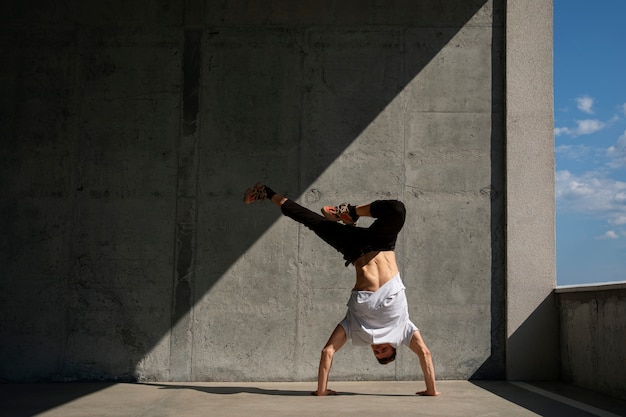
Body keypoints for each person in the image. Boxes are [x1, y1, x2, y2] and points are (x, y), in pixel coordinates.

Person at [243, 182, 440, 397]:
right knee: (396, 209)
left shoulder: (357, 328)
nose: (377, 348)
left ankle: (267, 192)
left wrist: (321, 391)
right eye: (384, 350)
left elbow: (328, 351)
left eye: (376, 352)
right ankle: (350, 212)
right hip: (382, 244)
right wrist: (432, 390)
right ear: (394, 346)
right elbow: (425, 354)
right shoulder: (403, 329)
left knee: (309, 219)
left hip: (354, 249)